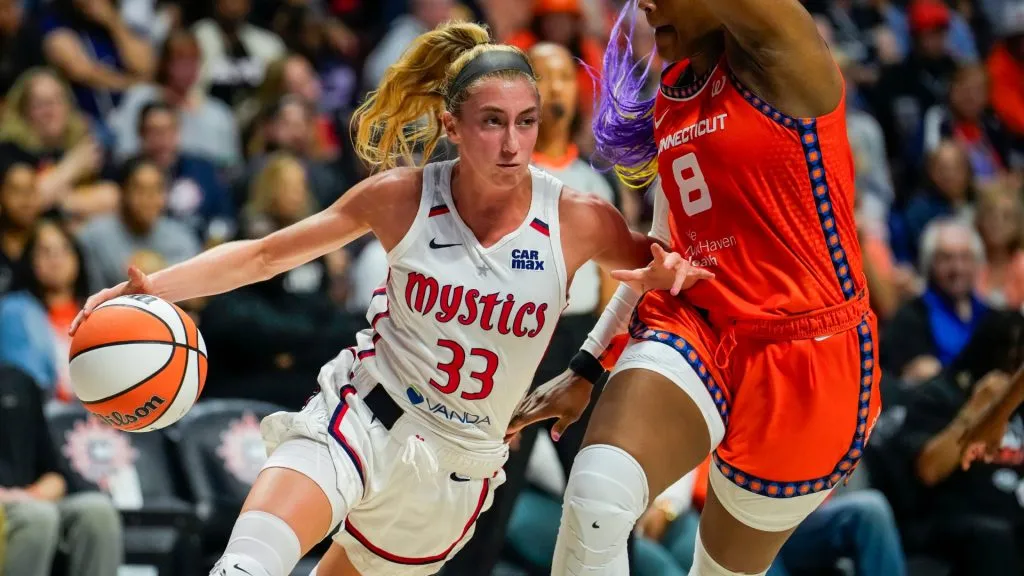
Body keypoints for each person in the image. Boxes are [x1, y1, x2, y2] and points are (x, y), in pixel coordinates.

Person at [69, 22, 710, 576]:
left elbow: (658, 286)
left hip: (457, 471)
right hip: (362, 417)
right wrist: (156, 287)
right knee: (246, 564)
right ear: (451, 125)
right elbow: (266, 255)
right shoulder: (402, 196)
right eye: (492, 122)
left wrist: (588, 368)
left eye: (526, 122)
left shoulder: (579, 218)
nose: (513, 143)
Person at [508, 0, 891, 573]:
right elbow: (662, 250)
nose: (646, 6)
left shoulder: (787, 52)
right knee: (596, 498)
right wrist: (587, 366)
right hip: (699, 327)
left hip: (808, 355)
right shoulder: (675, 94)